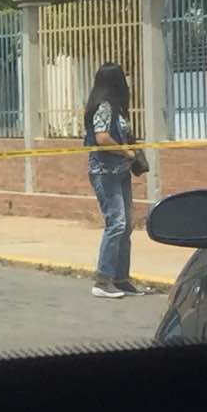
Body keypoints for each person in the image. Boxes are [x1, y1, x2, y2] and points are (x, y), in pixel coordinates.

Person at [83, 62, 145, 299]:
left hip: (121, 172)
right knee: (116, 223)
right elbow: (102, 138)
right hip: (105, 172)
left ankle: (121, 278)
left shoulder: (116, 108)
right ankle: (103, 280)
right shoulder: (105, 107)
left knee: (126, 225)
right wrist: (126, 151)